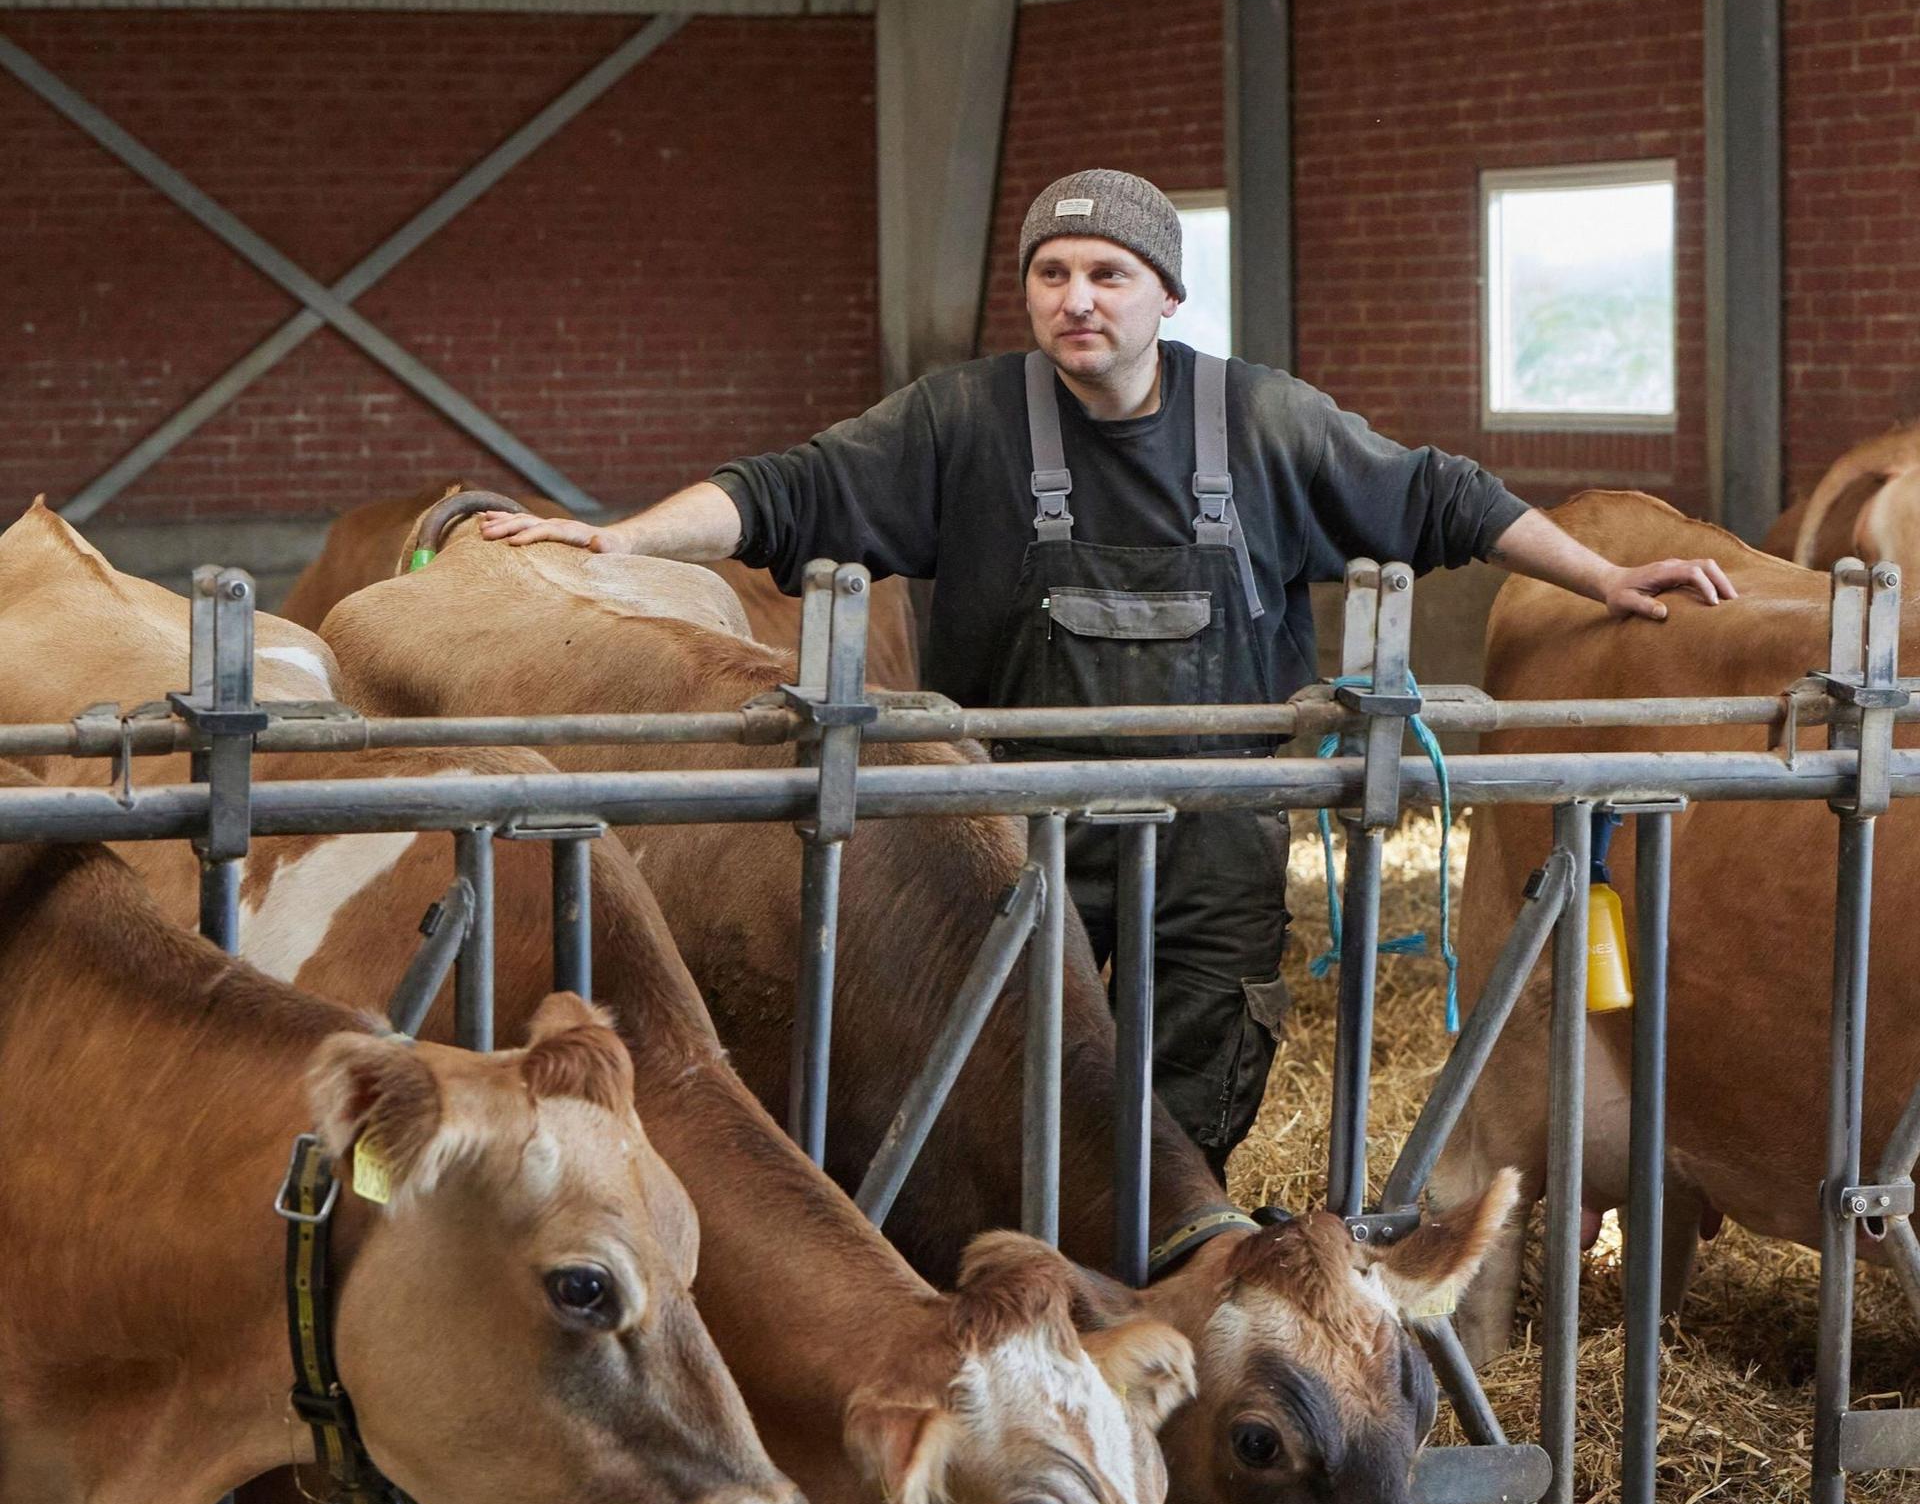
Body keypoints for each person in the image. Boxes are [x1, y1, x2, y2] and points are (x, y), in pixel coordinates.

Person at [481, 167, 1735, 1175]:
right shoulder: (957, 422)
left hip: (1216, 846)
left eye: (1109, 273)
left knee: (1188, 1120)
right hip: (1009, 843)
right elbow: (781, 492)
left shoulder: (1262, 423)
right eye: (1052, 272)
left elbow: (1438, 496)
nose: (1078, 297)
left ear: (1166, 295)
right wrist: (615, 537)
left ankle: (1159, 1307)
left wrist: (1605, 579)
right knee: (1011, 1094)